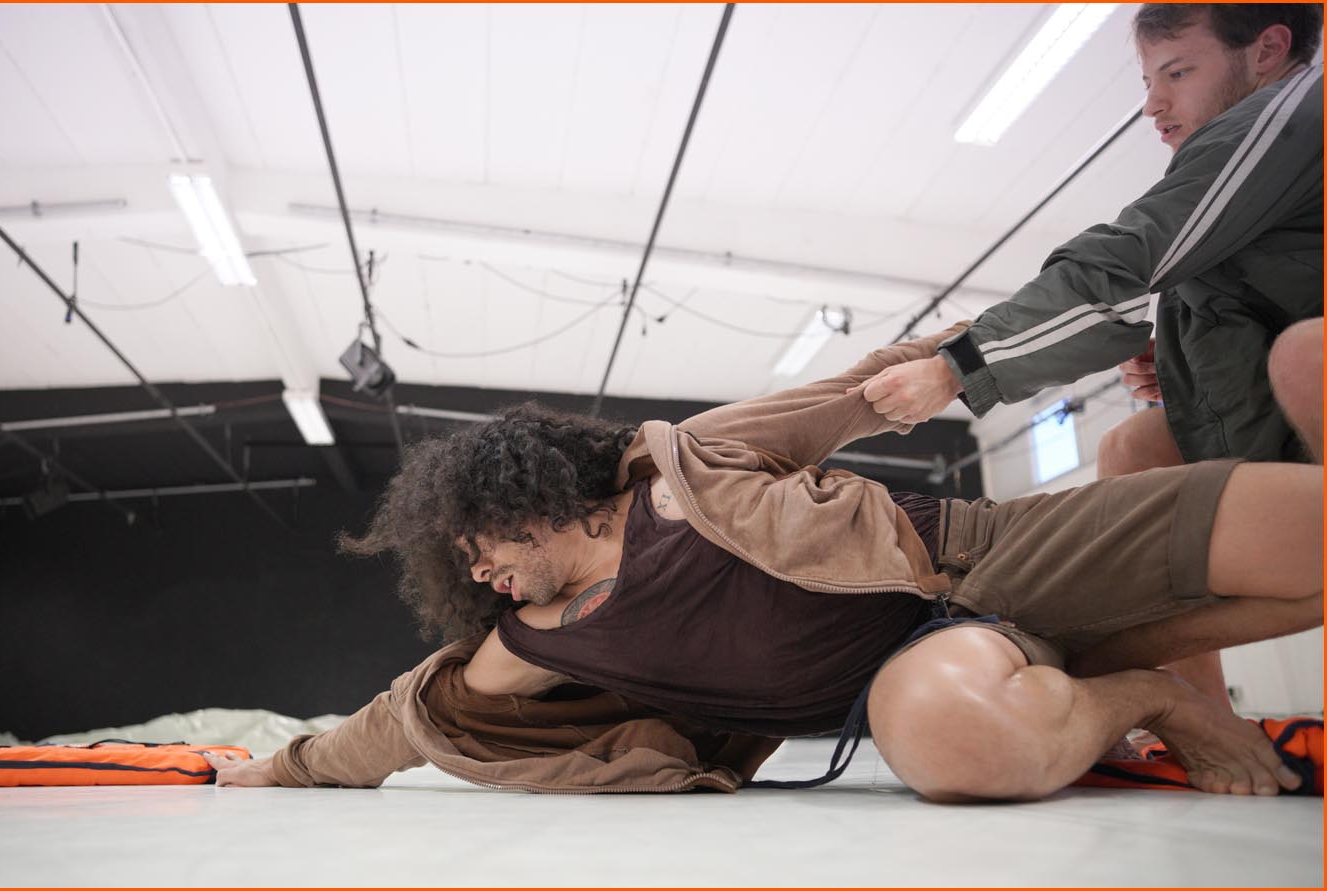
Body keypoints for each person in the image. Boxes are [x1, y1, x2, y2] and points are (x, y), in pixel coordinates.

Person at [203, 323, 1322, 801]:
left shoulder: (688, 462)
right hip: (920, 675)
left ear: (525, 502)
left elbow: (862, 391)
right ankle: (1146, 695)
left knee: (1309, 539)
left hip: (983, 557)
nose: (479, 576)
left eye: (477, 547)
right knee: (950, 739)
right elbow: (403, 719)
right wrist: (276, 770)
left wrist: (1001, 350)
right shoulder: (532, 641)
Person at [855, 3, 1324, 707]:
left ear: (1267, 50)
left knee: (1307, 355)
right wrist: (1182, 366)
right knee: (1134, 450)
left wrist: (959, 366)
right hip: (1289, 422)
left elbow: (1133, 253)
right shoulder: (1257, 165)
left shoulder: (1296, 111)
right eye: (1148, 81)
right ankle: (1193, 716)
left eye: (1177, 73)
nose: (1152, 105)